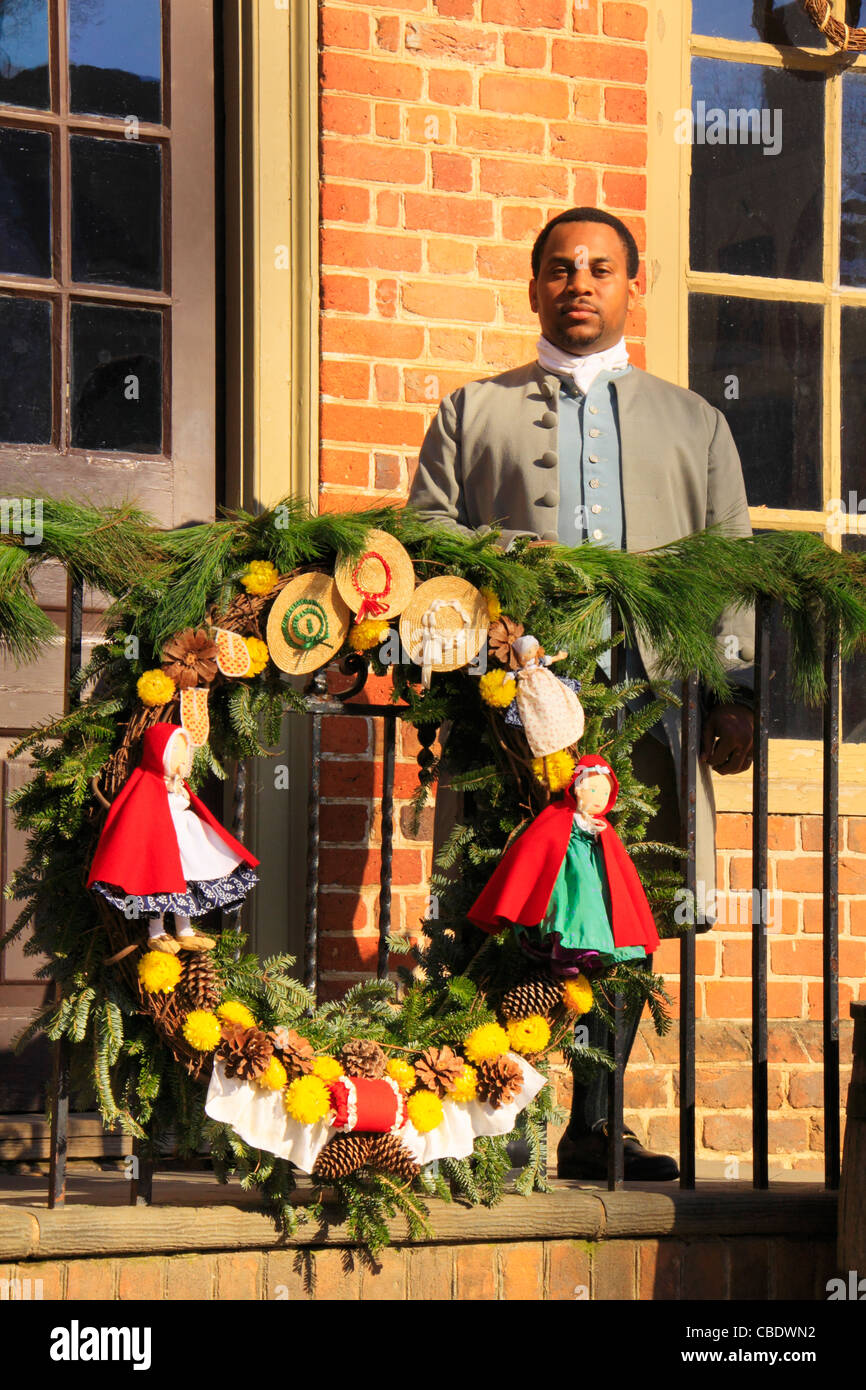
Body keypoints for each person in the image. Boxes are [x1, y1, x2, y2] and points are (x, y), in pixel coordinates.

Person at [408, 207, 755, 1181]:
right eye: (558, 269)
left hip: (648, 709)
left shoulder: (696, 424)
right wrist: (494, 591)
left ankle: (597, 1123)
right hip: (512, 711)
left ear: (631, 287)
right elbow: (426, 542)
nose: (578, 284)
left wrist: (734, 696)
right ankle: (489, 1120)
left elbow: (726, 567)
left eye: (599, 269)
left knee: (627, 911)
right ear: (531, 287)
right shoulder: (470, 413)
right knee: (504, 902)